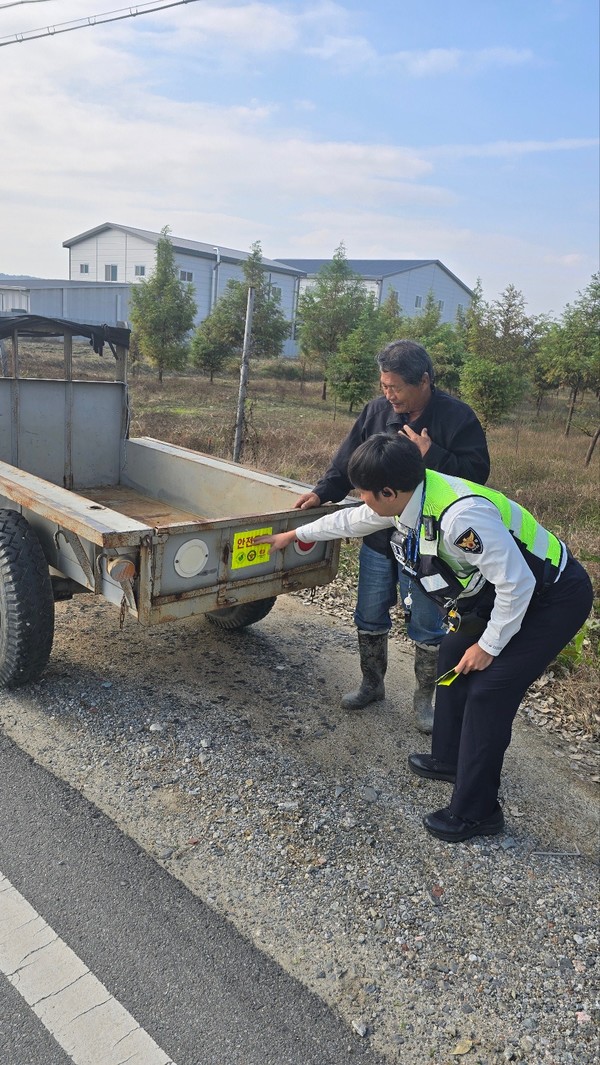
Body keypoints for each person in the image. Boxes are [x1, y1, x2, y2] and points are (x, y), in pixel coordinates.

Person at [255, 434, 593, 843]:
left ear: (388, 491)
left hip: (551, 595)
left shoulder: (461, 517)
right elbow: (355, 519)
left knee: (488, 690)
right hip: (501, 591)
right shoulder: (412, 494)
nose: (363, 500)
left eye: (366, 493)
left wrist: (488, 648)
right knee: (452, 654)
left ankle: (477, 813)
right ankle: (449, 759)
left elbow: (518, 584)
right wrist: (297, 536)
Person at [294, 339, 490, 733]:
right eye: (384, 386)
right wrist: (320, 492)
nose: (389, 395)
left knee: (427, 624)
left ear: (424, 381)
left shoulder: (457, 418)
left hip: (428, 546)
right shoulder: (376, 411)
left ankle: (424, 701)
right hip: (379, 540)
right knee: (368, 612)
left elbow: (477, 476)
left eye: (396, 387)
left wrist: (431, 456)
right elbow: (348, 462)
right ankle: (371, 684)